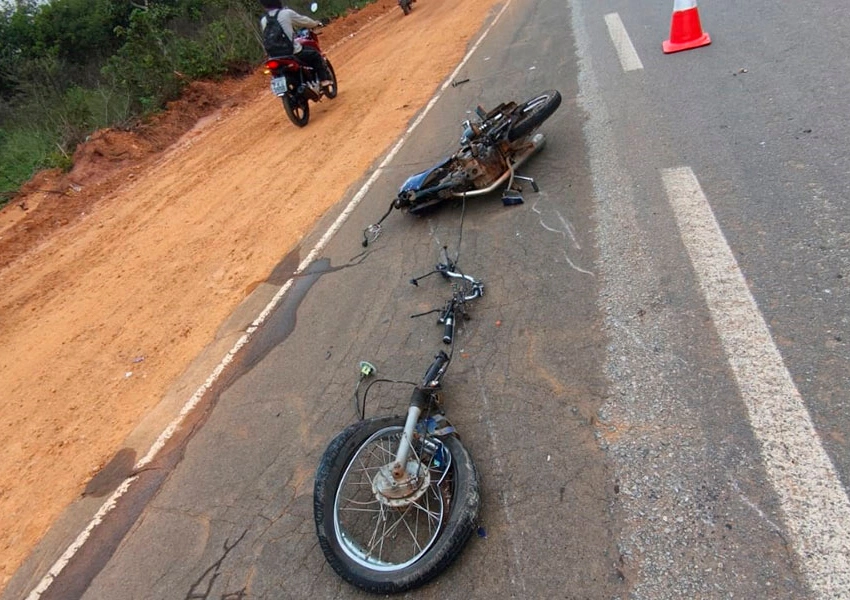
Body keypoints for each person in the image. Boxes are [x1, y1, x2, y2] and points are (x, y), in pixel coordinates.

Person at [259, 0, 332, 87]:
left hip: (274, 56)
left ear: (264, 6)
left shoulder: (264, 20)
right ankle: (324, 80)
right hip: (292, 52)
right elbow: (304, 21)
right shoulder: (286, 13)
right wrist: (315, 24)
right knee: (315, 55)